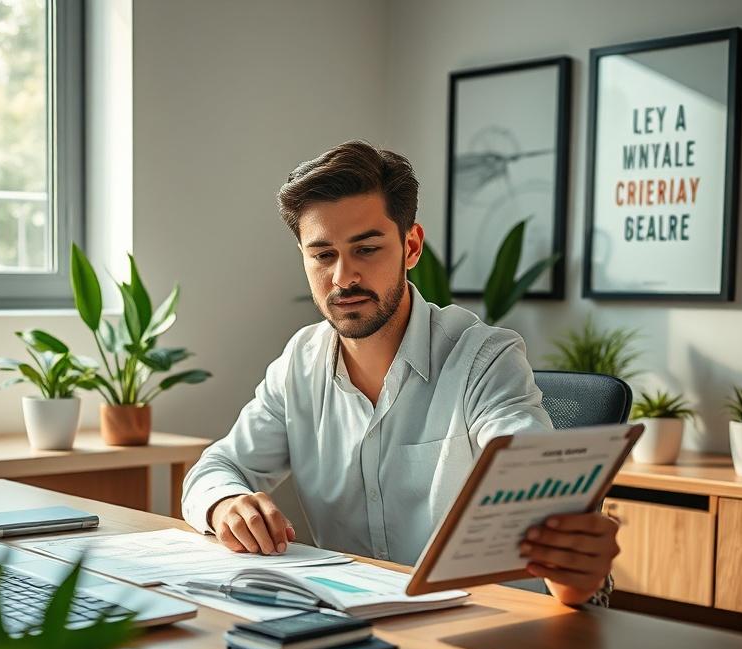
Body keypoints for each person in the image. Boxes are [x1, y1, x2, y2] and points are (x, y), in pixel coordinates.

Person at [182, 140, 617, 606]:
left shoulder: (485, 358)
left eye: (366, 249)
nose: (343, 277)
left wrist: (576, 557)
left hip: (489, 623)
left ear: (411, 247)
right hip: (362, 625)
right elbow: (216, 468)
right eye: (322, 255)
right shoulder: (300, 363)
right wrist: (226, 503)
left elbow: (532, 482)